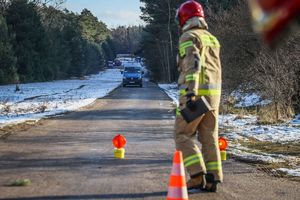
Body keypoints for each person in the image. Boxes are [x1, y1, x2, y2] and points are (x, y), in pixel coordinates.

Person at [174, 0, 223, 192]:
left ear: (184, 17)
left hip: (195, 95)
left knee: (181, 134)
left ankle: (196, 175)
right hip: (213, 97)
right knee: (209, 136)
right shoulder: (212, 38)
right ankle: (213, 179)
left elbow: (192, 64)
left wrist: (191, 92)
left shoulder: (189, 36)